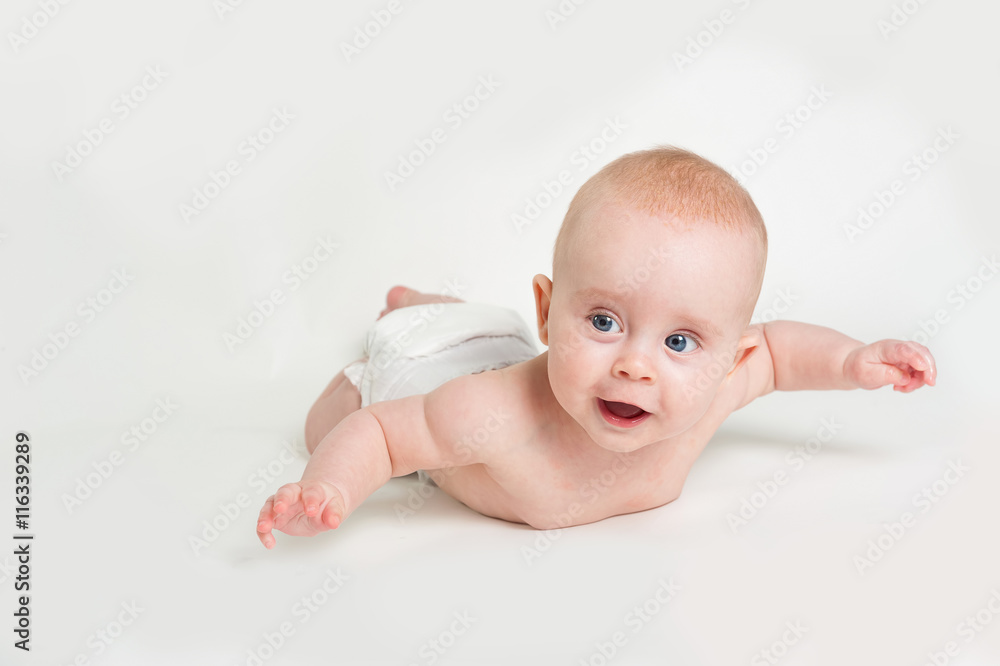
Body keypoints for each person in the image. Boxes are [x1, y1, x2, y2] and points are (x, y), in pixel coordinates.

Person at [256, 146, 937, 548]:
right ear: (551, 313)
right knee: (331, 417)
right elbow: (379, 432)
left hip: (502, 338)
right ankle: (413, 315)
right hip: (423, 371)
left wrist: (853, 361)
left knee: (486, 331)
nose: (634, 364)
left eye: (678, 341)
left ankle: (430, 304)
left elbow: (783, 351)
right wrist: (329, 486)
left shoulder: (716, 386)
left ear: (730, 358)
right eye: (605, 322)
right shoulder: (489, 414)